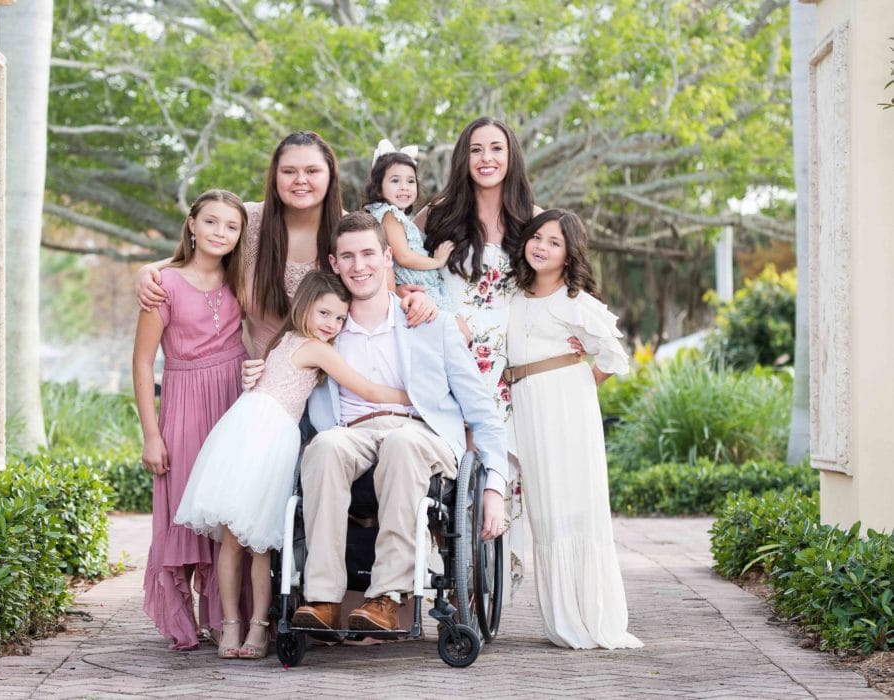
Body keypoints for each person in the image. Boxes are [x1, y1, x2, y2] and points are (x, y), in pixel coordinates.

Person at [243, 211, 510, 633]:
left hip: (421, 433)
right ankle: (322, 599)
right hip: (353, 434)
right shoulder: (325, 330)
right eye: (347, 257)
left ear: (388, 257)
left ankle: (388, 596)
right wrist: (256, 378)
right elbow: (287, 374)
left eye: (368, 253)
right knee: (325, 446)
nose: (359, 265)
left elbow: (481, 410)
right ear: (333, 264)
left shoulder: (429, 322)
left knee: (402, 443)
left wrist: (494, 486)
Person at [173, 271, 412, 659]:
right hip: (259, 436)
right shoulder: (311, 347)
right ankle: (239, 626)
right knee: (244, 539)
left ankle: (251, 627)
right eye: (324, 313)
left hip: (254, 430)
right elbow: (365, 388)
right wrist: (415, 395)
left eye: (339, 319)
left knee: (251, 542)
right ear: (305, 305)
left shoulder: (285, 340)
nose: (331, 325)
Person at [137, 131, 435, 359]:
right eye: (289, 171)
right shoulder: (248, 221)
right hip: (258, 382)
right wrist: (153, 268)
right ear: (275, 176)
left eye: (312, 171)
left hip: (338, 384)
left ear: (330, 175)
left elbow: (387, 299)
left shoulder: (352, 232)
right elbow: (200, 255)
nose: (300, 180)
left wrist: (418, 301)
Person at [412, 116, 543, 594]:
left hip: (502, 362)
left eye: (496, 149)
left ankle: (483, 568)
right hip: (446, 350)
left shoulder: (532, 220)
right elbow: (408, 272)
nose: (487, 158)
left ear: (511, 158)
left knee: (490, 461)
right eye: (476, 149)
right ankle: (439, 561)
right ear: (463, 158)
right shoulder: (438, 215)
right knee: (446, 467)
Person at [505, 208, 642, 649]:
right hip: (524, 405)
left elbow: (613, 357)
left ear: (569, 254)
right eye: (537, 237)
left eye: (555, 242)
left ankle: (592, 616)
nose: (542, 246)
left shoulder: (574, 300)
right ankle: (561, 616)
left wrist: (576, 383)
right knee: (545, 509)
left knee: (574, 503)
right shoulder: (510, 293)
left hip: (566, 406)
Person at [132, 190, 251, 651]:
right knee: (185, 511)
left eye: (231, 226)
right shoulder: (163, 284)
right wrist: (150, 434)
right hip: (184, 403)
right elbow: (143, 363)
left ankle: (228, 618)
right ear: (192, 224)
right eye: (212, 223)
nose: (220, 233)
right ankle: (184, 619)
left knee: (231, 512)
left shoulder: (240, 278)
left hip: (234, 400)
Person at [362, 139, 453, 309]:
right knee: (457, 330)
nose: (404, 187)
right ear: (379, 187)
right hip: (418, 288)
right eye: (395, 181)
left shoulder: (391, 215)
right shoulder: (389, 215)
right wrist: (438, 261)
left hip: (418, 287)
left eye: (410, 181)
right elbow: (403, 257)